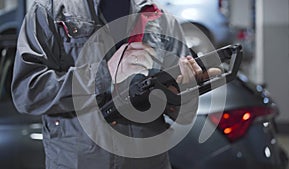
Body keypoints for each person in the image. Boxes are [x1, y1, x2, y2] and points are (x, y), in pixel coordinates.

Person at [11, 0, 220, 168]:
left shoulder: (160, 19)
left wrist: (183, 93)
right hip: (79, 162)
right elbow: (28, 92)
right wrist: (105, 73)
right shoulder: (50, 10)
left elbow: (181, 114)